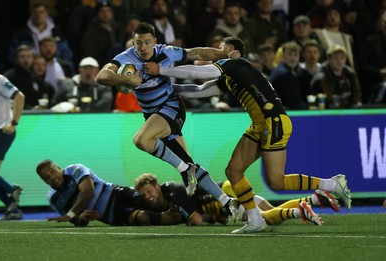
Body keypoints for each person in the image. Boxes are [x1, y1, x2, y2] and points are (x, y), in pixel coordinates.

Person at [143, 36, 352, 234]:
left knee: (276, 182)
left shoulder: (237, 64)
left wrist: (161, 70)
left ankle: (333, 184)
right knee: (233, 171)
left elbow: (203, 73)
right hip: (261, 124)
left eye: (221, 49)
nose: (217, 53)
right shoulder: (231, 75)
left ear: (233, 52)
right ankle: (255, 220)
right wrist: (166, 88)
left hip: (273, 121)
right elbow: (199, 90)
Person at [95, 22, 239, 217]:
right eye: (139, 43)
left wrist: (224, 54)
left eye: (147, 42)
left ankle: (183, 169)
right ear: (133, 42)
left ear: (155, 41)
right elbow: (101, 76)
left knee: (141, 140)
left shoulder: (167, 52)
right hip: (154, 117)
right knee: (189, 164)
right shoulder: (125, 58)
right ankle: (226, 201)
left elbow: (196, 53)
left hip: (171, 107)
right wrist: (127, 80)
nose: (143, 47)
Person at [135, 173, 340, 226]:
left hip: (225, 198)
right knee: (269, 209)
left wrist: (209, 216)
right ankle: (314, 199)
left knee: (264, 218)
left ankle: (299, 211)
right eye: (144, 195)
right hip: (227, 188)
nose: (148, 196)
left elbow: (196, 220)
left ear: (156, 185)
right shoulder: (170, 193)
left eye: (148, 191)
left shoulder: (173, 190)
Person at [36, 159, 182, 226]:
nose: (52, 177)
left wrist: (71, 214)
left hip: (118, 194)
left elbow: (88, 192)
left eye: (52, 171)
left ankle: (193, 205)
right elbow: (76, 221)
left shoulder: (75, 169)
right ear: (44, 181)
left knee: (154, 201)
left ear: (58, 167)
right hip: (111, 216)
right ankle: (185, 217)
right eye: (46, 177)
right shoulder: (53, 198)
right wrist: (82, 217)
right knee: (143, 218)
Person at [0, 51, 25, 220]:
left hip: (2, 133)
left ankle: (11, 189)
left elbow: (19, 96)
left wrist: (14, 123)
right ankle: (13, 209)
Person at [4, 45, 55, 110]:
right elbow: (10, 98)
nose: (26, 60)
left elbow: (48, 91)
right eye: (22, 57)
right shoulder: (9, 77)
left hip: (34, 115)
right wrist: (30, 108)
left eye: (29, 56)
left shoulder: (35, 78)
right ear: (16, 59)